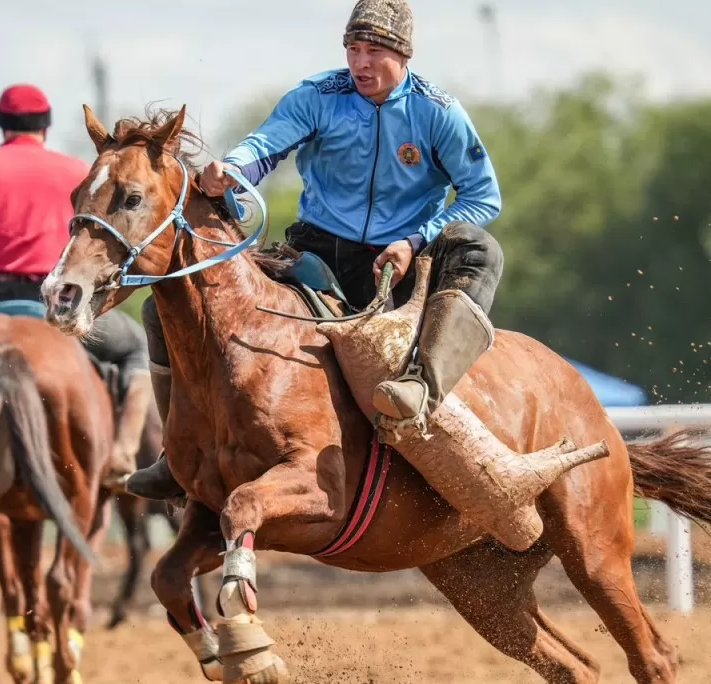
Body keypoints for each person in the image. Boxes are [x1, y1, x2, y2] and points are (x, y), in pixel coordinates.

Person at [125, 0, 507, 499]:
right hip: (316, 252)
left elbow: (483, 196)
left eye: (373, 51)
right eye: (352, 49)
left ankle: (423, 386)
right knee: (164, 309)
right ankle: (176, 455)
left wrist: (413, 242)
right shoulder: (317, 95)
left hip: (401, 261)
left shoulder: (439, 113)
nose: (360, 63)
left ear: (404, 55)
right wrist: (230, 171)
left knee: (481, 249)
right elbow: (265, 146)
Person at [0, 84, 154, 479]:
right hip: (63, 300)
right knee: (136, 347)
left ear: (1, 125)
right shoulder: (78, 171)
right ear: (46, 126)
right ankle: (123, 451)